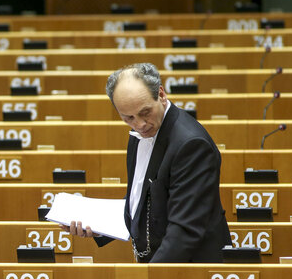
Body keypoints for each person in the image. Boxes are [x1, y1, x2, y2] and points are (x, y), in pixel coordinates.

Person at [64, 63, 231, 262]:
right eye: (128, 118)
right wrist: (98, 226)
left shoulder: (191, 145)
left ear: (161, 95)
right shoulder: (140, 133)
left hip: (191, 269)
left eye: (145, 113)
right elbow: (143, 201)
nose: (140, 124)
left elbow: (185, 231)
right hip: (160, 265)